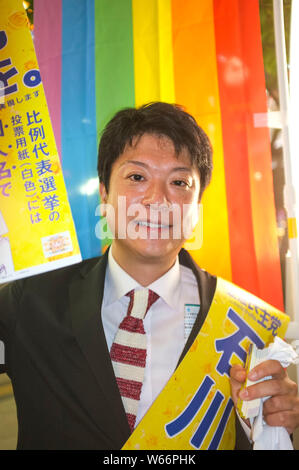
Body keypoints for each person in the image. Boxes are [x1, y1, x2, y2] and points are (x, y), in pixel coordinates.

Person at [0, 102, 298, 450]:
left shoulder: (244, 327)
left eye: (179, 182)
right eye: (137, 177)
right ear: (104, 193)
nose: (158, 199)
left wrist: (278, 422)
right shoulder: (27, 301)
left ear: (197, 207)